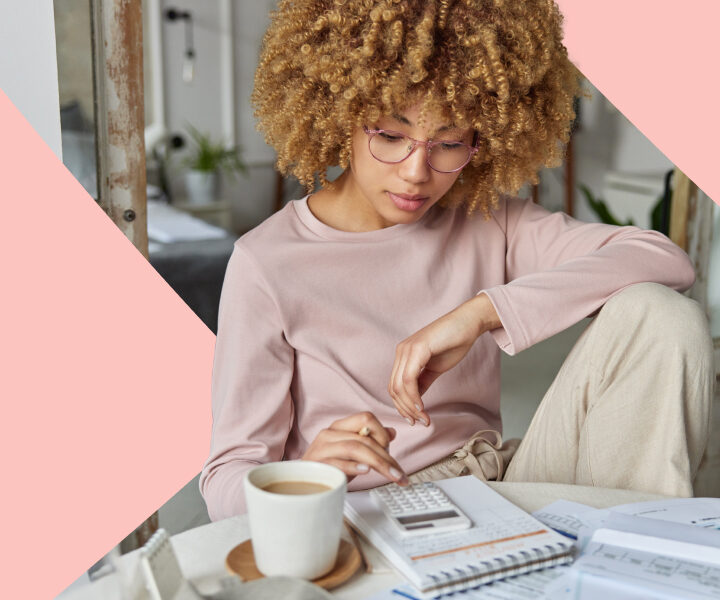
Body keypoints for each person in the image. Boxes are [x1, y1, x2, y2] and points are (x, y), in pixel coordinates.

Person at [200, 0, 714, 521]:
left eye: (448, 143)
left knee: (661, 315)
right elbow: (226, 481)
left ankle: (635, 552)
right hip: (371, 512)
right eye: (391, 136)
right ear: (339, 116)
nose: (417, 172)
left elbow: (663, 259)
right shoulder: (265, 262)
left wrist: (480, 313)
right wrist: (307, 475)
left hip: (497, 482)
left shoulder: (487, 220)